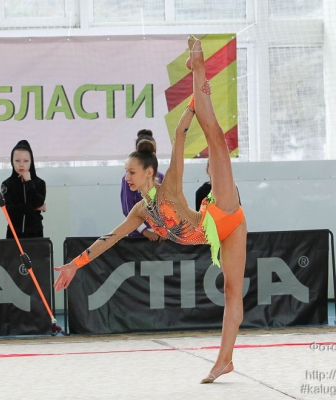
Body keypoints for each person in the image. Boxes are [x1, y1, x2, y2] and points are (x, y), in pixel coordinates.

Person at [54, 36, 247, 384]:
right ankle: (225, 361)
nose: (126, 177)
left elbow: (180, 135)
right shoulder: (141, 213)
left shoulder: (169, 184)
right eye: (125, 172)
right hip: (216, 233)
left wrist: (194, 100)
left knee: (215, 138)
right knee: (232, 291)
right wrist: (74, 264)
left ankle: (199, 67)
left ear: (147, 172)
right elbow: (109, 239)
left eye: (131, 172)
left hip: (224, 213)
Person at [121, 129, 165, 241]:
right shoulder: (128, 179)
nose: (152, 154)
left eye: (153, 151)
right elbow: (128, 209)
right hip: (137, 236)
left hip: (160, 235)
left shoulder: (161, 177)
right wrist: (144, 231)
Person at [0, 140, 46, 238]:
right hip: (14, 233)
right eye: (17, 160)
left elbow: (37, 201)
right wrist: (35, 208)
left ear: (31, 162)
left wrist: (28, 182)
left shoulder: (40, 183)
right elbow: (10, 211)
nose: (21, 164)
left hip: (35, 233)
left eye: (26, 161)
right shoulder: (7, 184)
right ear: (12, 162)